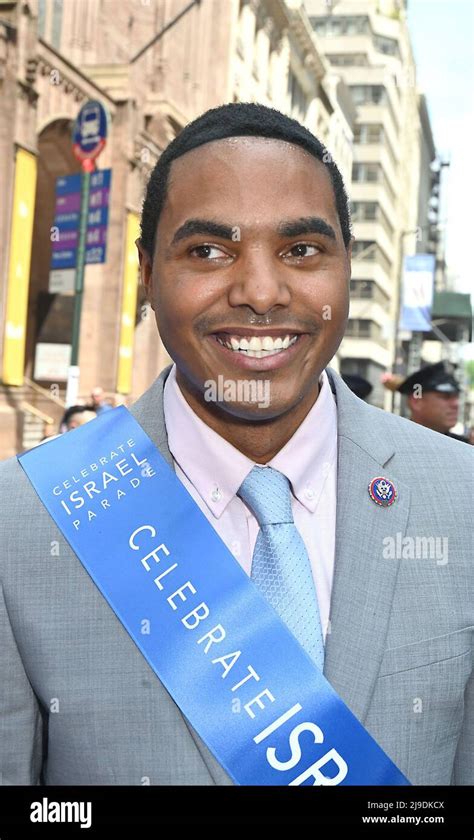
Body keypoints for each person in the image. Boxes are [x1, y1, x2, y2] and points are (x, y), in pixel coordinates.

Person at [0, 103, 472, 787]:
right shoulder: (23, 519)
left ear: (346, 266)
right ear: (146, 272)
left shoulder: (462, 500)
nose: (259, 292)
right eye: (208, 251)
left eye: (301, 250)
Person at [397, 361, 471, 443]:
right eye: (446, 397)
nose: (456, 404)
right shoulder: (391, 442)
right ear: (416, 402)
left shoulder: (466, 447)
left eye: (456, 397)